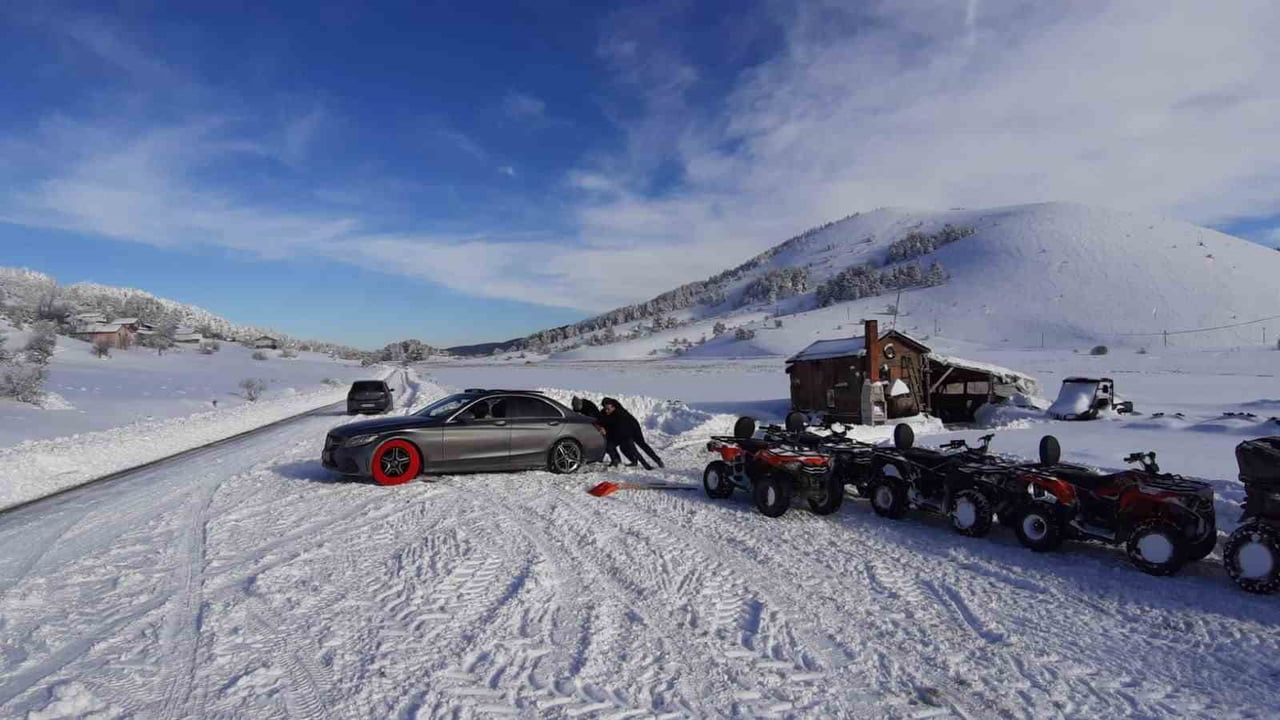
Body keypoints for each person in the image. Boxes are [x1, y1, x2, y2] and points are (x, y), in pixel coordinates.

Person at [599, 397, 650, 469]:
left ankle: (646, 465)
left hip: (625, 435)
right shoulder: (603, 413)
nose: (606, 411)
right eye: (605, 409)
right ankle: (615, 461)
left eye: (608, 409)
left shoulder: (620, 413)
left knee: (632, 450)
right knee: (608, 446)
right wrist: (602, 427)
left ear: (613, 407)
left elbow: (622, 428)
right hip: (615, 436)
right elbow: (600, 421)